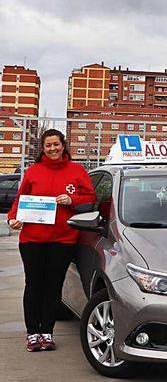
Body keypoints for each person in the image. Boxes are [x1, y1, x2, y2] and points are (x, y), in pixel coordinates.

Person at [6, 129, 96, 352]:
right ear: (43, 148)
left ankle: (47, 331)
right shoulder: (34, 171)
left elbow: (91, 198)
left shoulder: (76, 170)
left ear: (63, 145)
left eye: (57, 144)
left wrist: (72, 199)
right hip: (32, 240)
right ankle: (32, 333)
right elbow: (20, 200)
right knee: (34, 285)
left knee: (53, 287)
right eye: (48, 145)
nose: (53, 149)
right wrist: (12, 219)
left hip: (63, 239)